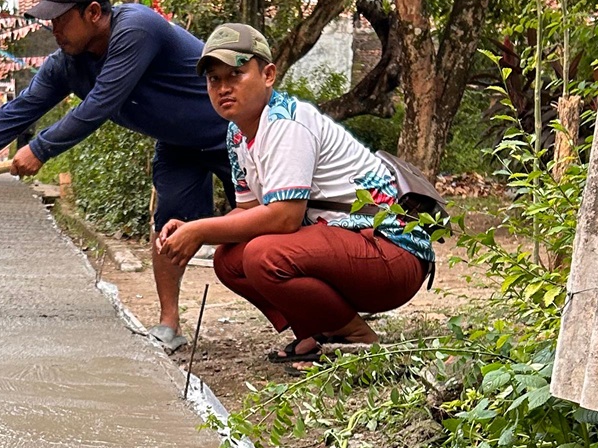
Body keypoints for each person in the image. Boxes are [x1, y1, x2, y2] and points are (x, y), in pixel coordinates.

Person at [0, 0, 233, 350]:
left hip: (231, 134)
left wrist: (40, 148)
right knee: (168, 225)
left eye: (60, 20)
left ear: (93, 12)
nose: (54, 31)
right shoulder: (67, 64)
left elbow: (101, 103)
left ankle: (314, 327)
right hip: (177, 144)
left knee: (264, 227)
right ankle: (169, 324)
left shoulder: (136, 28)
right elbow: (23, 108)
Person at [156, 23, 434, 362]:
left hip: (393, 253)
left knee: (263, 255)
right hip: (348, 246)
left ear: (268, 74)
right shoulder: (238, 134)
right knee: (228, 261)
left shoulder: (287, 123)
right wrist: (192, 229)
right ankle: (316, 330)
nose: (224, 88)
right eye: (215, 79)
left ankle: (355, 335)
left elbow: (284, 218)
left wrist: (200, 230)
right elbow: (249, 210)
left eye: (237, 74)